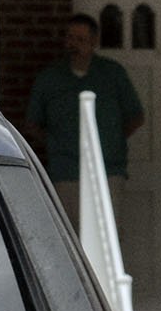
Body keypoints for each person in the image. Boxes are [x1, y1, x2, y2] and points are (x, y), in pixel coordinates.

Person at [24, 13, 144, 216]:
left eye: (81, 39)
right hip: (66, 171)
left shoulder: (112, 74)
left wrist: (111, 140)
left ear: (94, 41)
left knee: (108, 233)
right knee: (69, 235)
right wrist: (57, 144)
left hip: (108, 170)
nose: (74, 45)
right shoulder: (50, 78)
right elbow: (31, 124)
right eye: (70, 38)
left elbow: (136, 116)